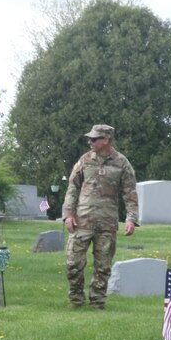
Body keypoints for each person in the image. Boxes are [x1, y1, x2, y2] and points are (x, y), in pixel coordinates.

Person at [62, 124, 139, 309]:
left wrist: (131, 218)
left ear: (106, 140)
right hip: (82, 221)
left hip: (107, 223)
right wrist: (68, 215)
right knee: (73, 263)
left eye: (94, 139)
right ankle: (76, 300)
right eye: (89, 139)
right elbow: (73, 188)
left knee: (103, 267)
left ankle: (98, 302)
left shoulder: (122, 163)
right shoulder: (84, 160)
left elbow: (130, 193)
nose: (90, 142)